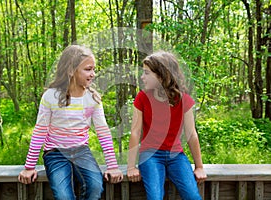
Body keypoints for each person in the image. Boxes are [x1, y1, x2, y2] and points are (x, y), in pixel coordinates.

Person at [18, 45, 123, 200]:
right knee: (63, 195)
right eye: (88, 69)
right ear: (71, 70)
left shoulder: (93, 99)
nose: (93, 74)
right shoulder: (51, 96)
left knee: (95, 186)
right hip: (55, 153)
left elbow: (103, 132)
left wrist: (113, 166)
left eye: (94, 69)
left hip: (81, 151)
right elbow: (40, 132)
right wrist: (29, 167)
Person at [126, 51, 207, 200]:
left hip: (176, 155)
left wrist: (199, 166)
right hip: (150, 155)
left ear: (162, 75)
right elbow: (135, 132)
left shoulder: (184, 99)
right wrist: (131, 166)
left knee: (192, 196)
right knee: (155, 197)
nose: (142, 77)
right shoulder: (142, 97)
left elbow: (191, 134)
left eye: (146, 73)